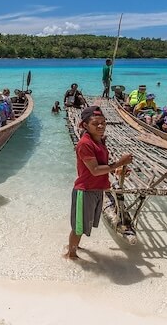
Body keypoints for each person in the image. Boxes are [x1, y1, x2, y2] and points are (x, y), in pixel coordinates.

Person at [66, 106, 133, 259]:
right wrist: (118, 163)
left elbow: (101, 164)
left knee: (82, 225)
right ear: (85, 125)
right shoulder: (85, 144)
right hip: (86, 190)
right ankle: (70, 255)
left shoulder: (99, 141)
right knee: (78, 227)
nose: (101, 126)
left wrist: (115, 170)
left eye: (103, 122)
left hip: (97, 189)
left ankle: (74, 248)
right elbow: (95, 170)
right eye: (96, 123)